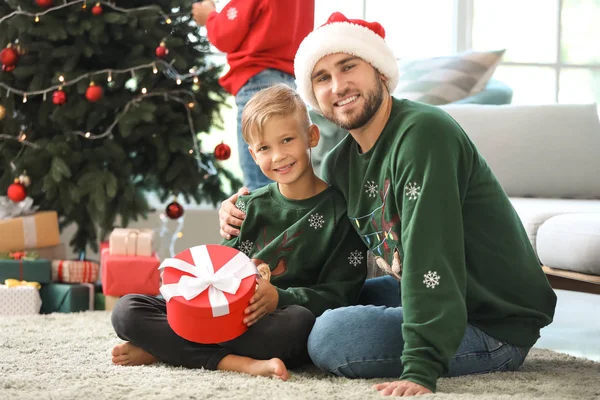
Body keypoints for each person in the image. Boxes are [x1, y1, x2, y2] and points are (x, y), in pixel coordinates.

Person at [217, 12, 558, 397]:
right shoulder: (340, 163)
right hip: (439, 291)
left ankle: (433, 346)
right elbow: (310, 221)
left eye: (349, 67)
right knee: (338, 299)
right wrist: (241, 209)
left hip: (492, 317)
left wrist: (421, 368)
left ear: (379, 71)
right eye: (322, 77)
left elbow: (433, 256)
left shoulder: (424, 134)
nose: (338, 85)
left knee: (331, 336)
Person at [110, 84, 368, 381]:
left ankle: (168, 348)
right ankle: (237, 362)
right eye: (264, 148)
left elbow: (341, 296)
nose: (279, 156)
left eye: (287, 140)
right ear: (252, 154)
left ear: (311, 136)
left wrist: (279, 297)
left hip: (274, 322)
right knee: (127, 310)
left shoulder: (340, 213)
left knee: (297, 327)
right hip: (223, 317)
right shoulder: (246, 206)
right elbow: (218, 273)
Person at [192, 0, 315, 191]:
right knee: (288, 184)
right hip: (288, 82)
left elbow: (224, 35)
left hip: (256, 84)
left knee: (260, 186)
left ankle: (263, 221)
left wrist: (209, 17)